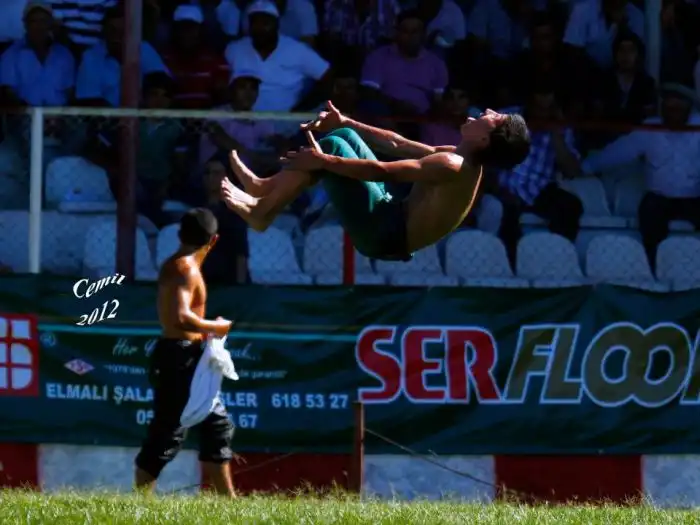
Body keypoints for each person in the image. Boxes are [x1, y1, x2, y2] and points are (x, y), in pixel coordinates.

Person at [220, 101, 530, 261]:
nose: (488, 110)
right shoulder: (455, 156)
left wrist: (323, 162)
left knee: (333, 147)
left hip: (386, 235)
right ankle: (265, 189)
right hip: (390, 215)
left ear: (485, 140)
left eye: (495, 117)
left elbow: (383, 171)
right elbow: (397, 144)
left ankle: (262, 212)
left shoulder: (452, 166)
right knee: (343, 134)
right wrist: (344, 120)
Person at [134, 208, 236, 497]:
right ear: (214, 240)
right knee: (166, 434)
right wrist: (217, 327)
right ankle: (141, 501)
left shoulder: (181, 265)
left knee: (217, 426)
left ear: (179, 235)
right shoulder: (185, 269)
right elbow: (181, 316)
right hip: (178, 358)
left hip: (188, 355)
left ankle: (228, 502)